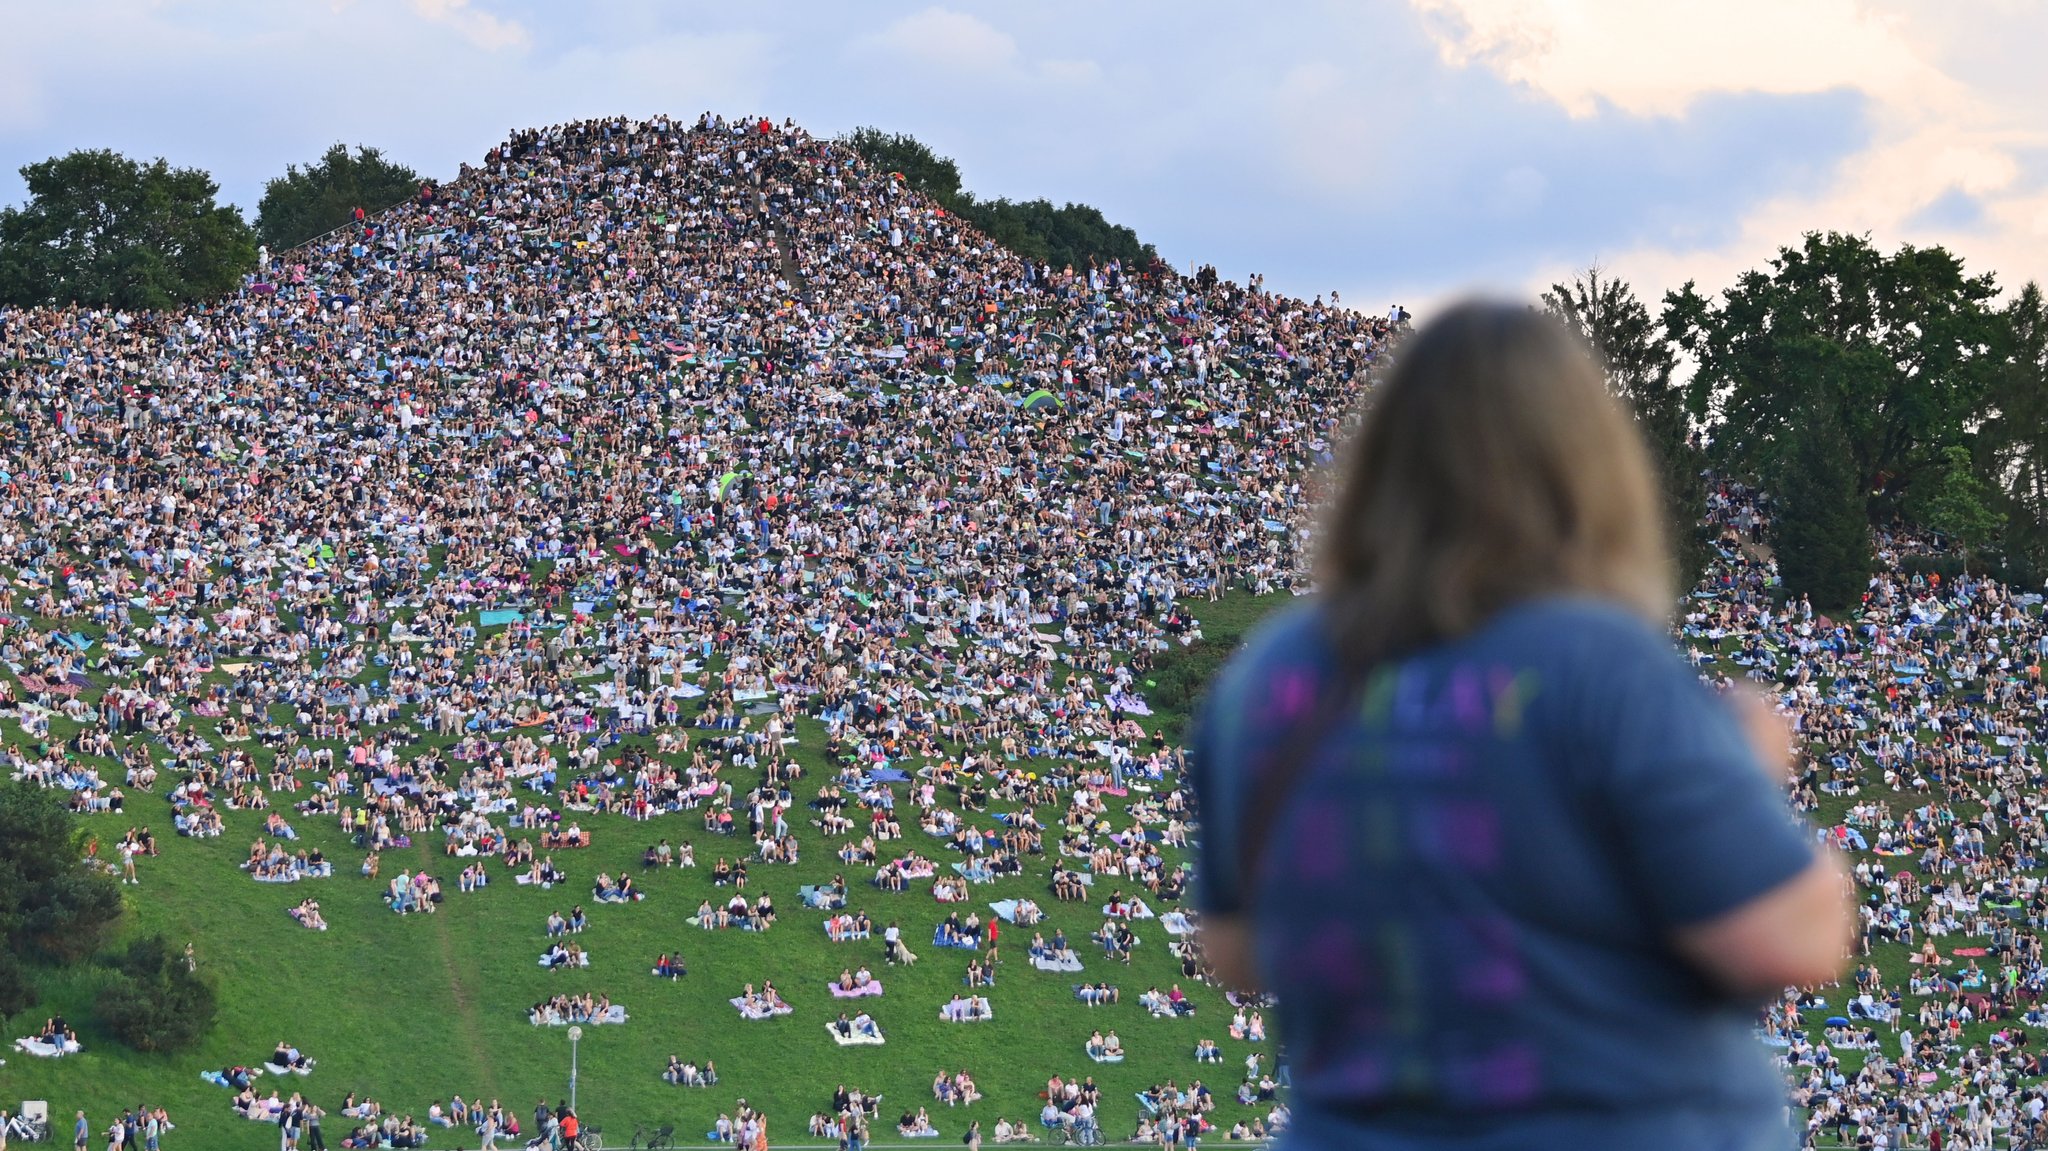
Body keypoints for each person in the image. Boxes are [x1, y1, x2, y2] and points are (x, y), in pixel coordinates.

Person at [1188, 302, 1853, 1149]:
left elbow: (1238, 953)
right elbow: (1792, 938)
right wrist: (1746, 770)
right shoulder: (1599, 662)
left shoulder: (1270, 674)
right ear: (1588, 471)